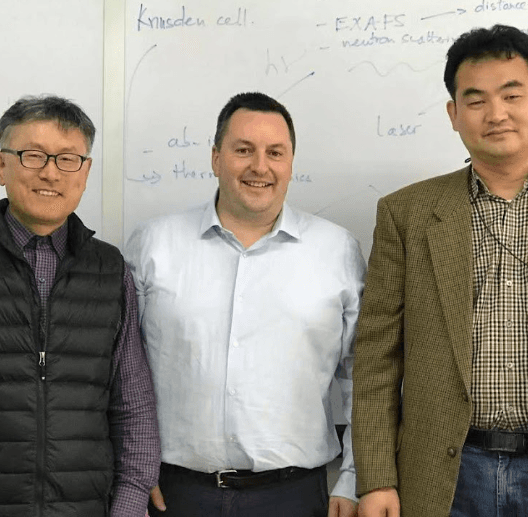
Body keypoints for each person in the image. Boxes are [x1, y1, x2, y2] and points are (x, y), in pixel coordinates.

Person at [353, 24, 528, 517]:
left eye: (511, 95)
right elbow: (377, 359)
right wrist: (376, 479)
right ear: (454, 114)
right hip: (444, 477)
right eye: (475, 100)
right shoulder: (406, 213)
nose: (496, 114)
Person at [0, 95, 160, 517]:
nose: (51, 172)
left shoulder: (110, 270)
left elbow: (134, 406)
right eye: (33, 155)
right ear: (1, 165)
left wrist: (129, 505)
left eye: (68, 159)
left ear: (85, 172)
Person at [126, 91, 365, 517]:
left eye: (275, 152)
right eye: (243, 150)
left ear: (291, 163)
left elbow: (362, 377)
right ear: (216, 158)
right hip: (173, 495)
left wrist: (352, 479)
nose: (260, 166)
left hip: (295, 497)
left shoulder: (337, 250)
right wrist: (133, 473)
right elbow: (123, 374)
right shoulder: (154, 244)